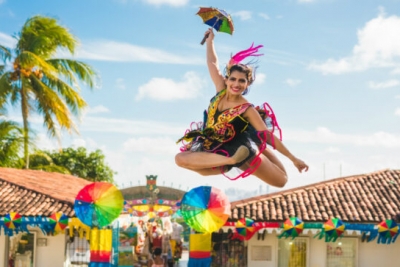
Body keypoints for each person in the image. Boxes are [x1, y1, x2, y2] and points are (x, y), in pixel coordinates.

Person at [175, 28, 308, 187]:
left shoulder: (246, 109)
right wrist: (210, 41)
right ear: (227, 80)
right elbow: (212, 63)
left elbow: (268, 136)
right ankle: (232, 160)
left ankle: (250, 152)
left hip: (240, 148)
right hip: (215, 148)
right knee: (181, 160)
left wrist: (293, 159)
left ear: (248, 84)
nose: (236, 84)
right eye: (233, 79)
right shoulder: (220, 90)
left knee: (281, 181)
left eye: (242, 81)